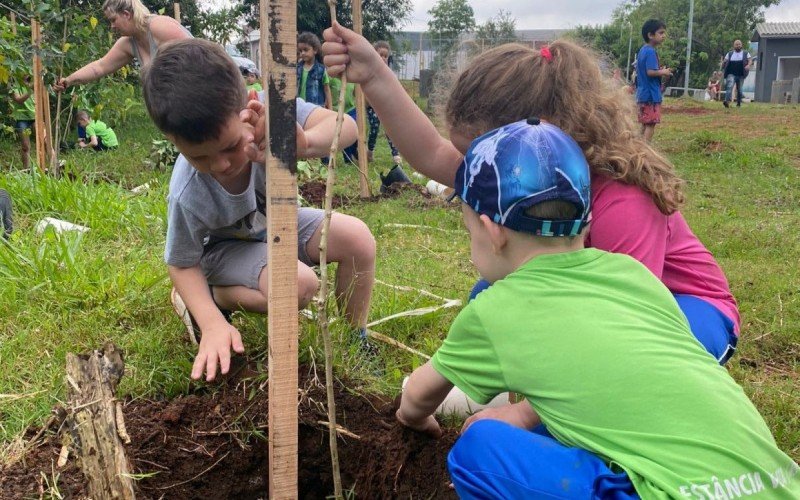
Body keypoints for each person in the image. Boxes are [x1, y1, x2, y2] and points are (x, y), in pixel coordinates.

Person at [394, 118, 800, 499]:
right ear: (586, 224)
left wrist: (413, 419)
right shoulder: (631, 274)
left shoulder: (495, 309)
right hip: (776, 481)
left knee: (478, 452)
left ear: (490, 230)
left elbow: (417, 397)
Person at [322, 25, 740, 366]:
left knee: (660, 363)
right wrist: (375, 75)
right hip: (584, 299)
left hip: (677, 309)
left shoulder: (621, 202)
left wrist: (528, 413)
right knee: (487, 298)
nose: (472, 171)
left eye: (477, 156)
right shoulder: (509, 170)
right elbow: (431, 153)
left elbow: (626, 324)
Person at [142, 39, 376, 382]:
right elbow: (181, 261)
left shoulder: (274, 112)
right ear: (173, 141)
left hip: (277, 225)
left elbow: (347, 128)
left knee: (358, 238)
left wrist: (302, 142)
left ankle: (356, 338)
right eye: (199, 157)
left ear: (250, 105)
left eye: (231, 146)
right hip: (223, 252)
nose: (219, 164)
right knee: (298, 285)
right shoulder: (188, 190)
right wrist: (211, 323)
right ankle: (215, 297)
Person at [52, 0, 191, 92]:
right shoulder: (128, 43)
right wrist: (68, 80)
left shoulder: (160, 26)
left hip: (198, 96)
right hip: (175, 106)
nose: (112, 27)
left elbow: (199, 57)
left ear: (126, 14)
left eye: (113, 20)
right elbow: (100, 67)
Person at [636, 19, 672, 142]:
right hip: (651, 95)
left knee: (644, 123)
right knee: (651, 124)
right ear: (650, 35)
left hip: (642, 94)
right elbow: (650, 72)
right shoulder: (651, 51)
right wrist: (664, 72)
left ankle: (637, 147)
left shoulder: (643, 50)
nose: (664, 36)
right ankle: (645, 151)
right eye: (661, 33)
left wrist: (659, 70)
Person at [366, 41, 400, 164]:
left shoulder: (390, 74)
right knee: (374, 130)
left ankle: (396, 155)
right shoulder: (369, 73)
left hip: (387, 106)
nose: (383, 58)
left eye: (385, 56)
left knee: (390, 130)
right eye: (380, 55)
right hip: (373, 106)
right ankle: (369, 151)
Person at [297, 32, 331, 109]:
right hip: (300, 107)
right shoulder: (297, 68)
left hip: (316, 108)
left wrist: (330, 109)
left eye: (305, 50)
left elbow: (327, 90)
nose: (302, 53)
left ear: (315, 50)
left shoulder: (321, 70)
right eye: (300, 51)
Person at [10, 74, 35, 170]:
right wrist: (31, 90)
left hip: (35, 117)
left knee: (44, 141)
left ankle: (53, 165)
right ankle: (26, 170)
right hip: (22, 119)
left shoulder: (34, 83)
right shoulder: (15, 85)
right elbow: (18, 100)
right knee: (25, 146)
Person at [722, 39, 751, 108]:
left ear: (741, 45)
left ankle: (738, 103)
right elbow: (724, 61)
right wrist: (723, 64)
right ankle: (726, 101)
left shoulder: (745, 53)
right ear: (734, 46)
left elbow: (750, 60)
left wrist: (748, 65)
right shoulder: (729, 54)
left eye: (739, 44)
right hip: (731, 73)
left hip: (741, 74)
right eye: (736, 44)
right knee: (730, 86)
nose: (738, 46)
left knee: (740, 90)